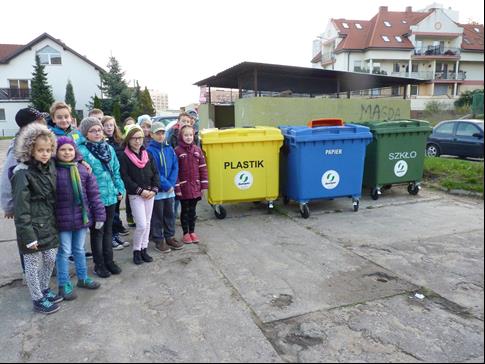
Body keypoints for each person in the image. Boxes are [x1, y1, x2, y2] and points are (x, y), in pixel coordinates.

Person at [11, 123, 62, 314]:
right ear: (29, 149)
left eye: (48, 150)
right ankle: (37, 298)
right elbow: (21, 209)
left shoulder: (49, 167)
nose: (45, 154)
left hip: (48, 222)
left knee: (50, 258)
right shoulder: (22, 173)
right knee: (33, 263)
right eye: (40, 150)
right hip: (31, 226)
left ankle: (44, 288)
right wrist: (28, 236)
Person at [54, 137, 104, 300]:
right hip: (62, 220)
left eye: (70, 149)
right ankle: (64, 283)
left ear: (75, 151)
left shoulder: (83, 170)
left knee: (79, 250)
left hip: (82, 218)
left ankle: (82, 278)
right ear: (56, 151)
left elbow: (94, 195)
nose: (67, 152)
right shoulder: (53, 170)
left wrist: (99, 215)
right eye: (63, 149)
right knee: (64, 252)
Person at [1, 108, 48, 279]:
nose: (44, 122)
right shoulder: (19, 146)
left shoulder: (41, 140)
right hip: (25, 202)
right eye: (41, 119)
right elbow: (7, 177)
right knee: (27, 238)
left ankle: (46, 270)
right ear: (31, 124)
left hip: (42, 201)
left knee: (43, 235)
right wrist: (8, 205)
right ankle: (28, 273)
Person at [77, 117, 126, 278]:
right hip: (95, 200)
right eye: (93, 130)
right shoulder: (81, 151)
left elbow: (116, 171)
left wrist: (120, 189)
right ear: (85, 133)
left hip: (111, 196)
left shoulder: (108, 148)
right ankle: (99, 264)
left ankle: (109, 260)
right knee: (98, 232)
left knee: (108, 231)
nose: (97, 133)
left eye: (99, 129)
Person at [119, 125, 159, 265]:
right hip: (136, 195)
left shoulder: (147, 154)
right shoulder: (124, 156)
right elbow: (125, 177)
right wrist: (140, 191)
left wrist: (154, 189)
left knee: (147, 223)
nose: (137, 141)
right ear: (129, 139)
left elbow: (155, 173)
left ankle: (144, 249)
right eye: (134, 138)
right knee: (141, 224)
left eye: (140, 138)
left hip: (150, 194)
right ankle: (136, 250)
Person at [146, 122, 183, 253]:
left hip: (169, 190)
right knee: (157, 216)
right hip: (158, 190)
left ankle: (169, 236)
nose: (161, 136)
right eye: (157, 133)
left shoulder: (169, 149)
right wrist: (166, 184)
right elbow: (153, 171)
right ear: (151, 135)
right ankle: (158, 239)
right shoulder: (149, 151)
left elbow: (175, 166)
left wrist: (171, 184)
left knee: (170, 214)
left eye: (162, 133)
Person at [174, 125, 208, 244]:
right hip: (184, 188)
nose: (188, 137)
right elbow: (175, 171)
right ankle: (185, 233)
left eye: (190, 135)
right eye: (186, 135)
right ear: (181, 136)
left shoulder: (197, 150)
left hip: (195, 187)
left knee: (193, 211)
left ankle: (192, 231)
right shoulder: (177, 151)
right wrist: (177, 187)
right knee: (185, 210)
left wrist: (204, 186)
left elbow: (203, 168)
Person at [102, 116, 130, 250]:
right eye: (106, 125)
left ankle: (116, 234)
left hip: (118, 178)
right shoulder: (101, 142)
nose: (109, 128)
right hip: (107, 183)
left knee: (117, 211)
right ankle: (111, 237)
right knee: (110, 214)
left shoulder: (119, 141)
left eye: (111, 125)